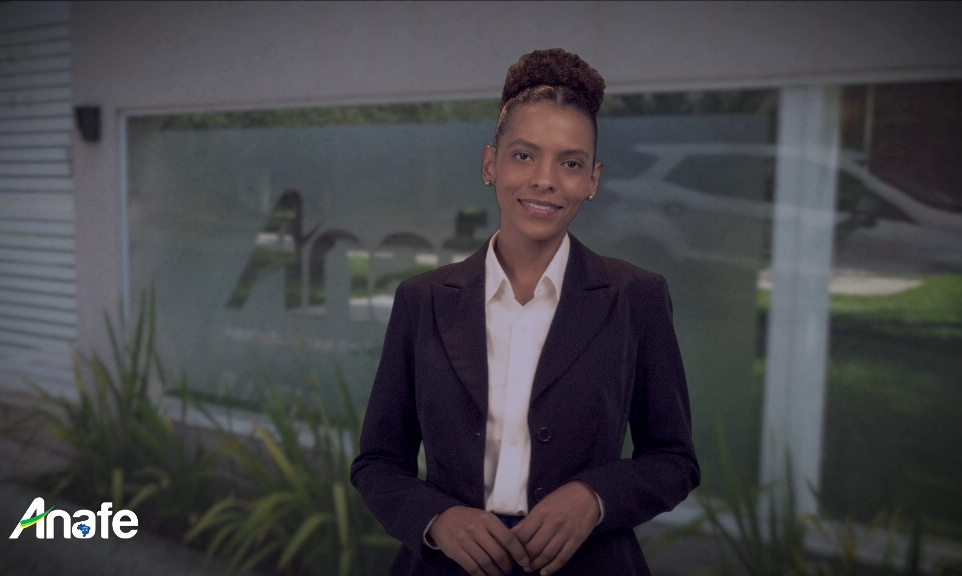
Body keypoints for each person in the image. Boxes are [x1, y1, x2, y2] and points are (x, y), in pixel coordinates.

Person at [351, 48, 699, 576]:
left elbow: (674, 460)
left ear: (592, 180)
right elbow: (378, 462)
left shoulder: (636, 298)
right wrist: (437, 518)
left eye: (570, 163)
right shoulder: (422, 299)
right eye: (523, 155)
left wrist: (593, 497)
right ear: (490, 164)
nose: (545, 179)